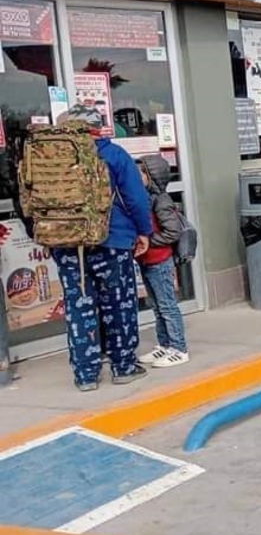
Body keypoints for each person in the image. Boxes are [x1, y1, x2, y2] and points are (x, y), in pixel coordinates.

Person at [48, 106, 152, 392]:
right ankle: (123, 366)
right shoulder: (113, 154)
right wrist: (144, 231)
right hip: (112, 241)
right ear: (97, 127)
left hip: (67, 244)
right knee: (119, 305)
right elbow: (136, 199)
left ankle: (85, 375)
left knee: (79, 307)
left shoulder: (50, 156)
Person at [136, 155, 189, 368]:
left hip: (160, 260)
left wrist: (149, 241)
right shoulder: (147, 198)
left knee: (167, 306)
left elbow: (172, 232)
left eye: (141, 172)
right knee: (157, 307)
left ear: (151, 176)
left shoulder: (161, 201)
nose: (137, 176)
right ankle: (164, 345)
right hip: (147, 261)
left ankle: (179, 348)